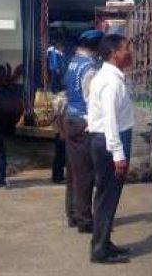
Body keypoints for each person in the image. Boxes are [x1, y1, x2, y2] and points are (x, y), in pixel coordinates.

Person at [87, 34, 133, 264]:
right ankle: (99, 250)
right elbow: (110, 119)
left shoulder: (109, 77)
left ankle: (103, 242)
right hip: (109, 141)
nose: (130, 52)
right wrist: (118, 153)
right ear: (114, 53)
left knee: (107, 197)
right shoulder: (111, 81)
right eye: (126, 48)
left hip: (106, 140)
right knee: (107, 197)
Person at [63, 30, 104, 231]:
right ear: (95, 47)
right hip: (82, 122)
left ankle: (72, 214)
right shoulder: (89, 68)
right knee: (86, 174)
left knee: (72, 170)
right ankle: (84, 220)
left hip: (70, 119)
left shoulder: (72, 63)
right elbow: (91, 100)